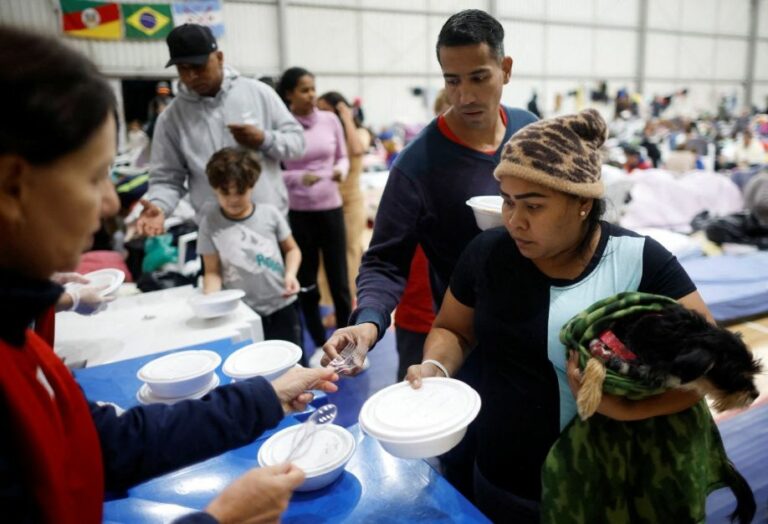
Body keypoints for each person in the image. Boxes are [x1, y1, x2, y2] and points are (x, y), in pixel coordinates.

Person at [0, 25, 339, 523]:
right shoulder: (174, 117)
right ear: (13, 186)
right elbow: (164, 180)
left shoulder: (22, 342)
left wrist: (266, 397)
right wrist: (218, 519)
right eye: (95, 178)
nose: (112, 203)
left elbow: (103, 443)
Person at [404, 109, 713, 522]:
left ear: (583, 202)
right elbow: (453, 329)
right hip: (499, 477)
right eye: (508, 202)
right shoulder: (487, 254)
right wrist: (435, 367)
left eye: (534, 205)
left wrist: (624, 409)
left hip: (598, 488)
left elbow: (713, 365)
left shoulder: (639, 261)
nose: (515, 220)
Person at [321, 8, 538, 496]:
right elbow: (384, 259)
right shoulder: (419, 163)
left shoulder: (529, 131)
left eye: (479, 78)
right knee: (462, 464)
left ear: (505, 70)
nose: (464, 96)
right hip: (464, 337)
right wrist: (369, 319)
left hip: (534, 328)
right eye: (452, 80)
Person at [136, 24, 304, 236]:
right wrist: (159, 206)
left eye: (199, 66)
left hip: (268, 227)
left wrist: (264, 139)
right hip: (215, 233)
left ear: (220, 58)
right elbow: (166, 178)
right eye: (182, 69)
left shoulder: (258, 94)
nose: (191, 77)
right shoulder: (171, 118)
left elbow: (298, 143)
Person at [276, 67, 352, 351]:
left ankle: (348, 343)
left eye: (313, 88)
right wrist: (297, 178)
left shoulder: (330, 120)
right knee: (308, 283)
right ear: (289, 94)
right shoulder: (283, 127)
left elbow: (343, 157)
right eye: (304, 90)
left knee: (340, 281)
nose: (311, 95)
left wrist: (340, 171)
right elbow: (273, 174)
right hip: (299, 213)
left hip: (331, 208)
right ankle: (321, 344)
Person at [199, 147, 303, 347]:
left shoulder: (269, 214)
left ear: (252, 185)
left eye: (240, 191)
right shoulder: (210, 223)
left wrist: (290, 274)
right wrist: (211, 302)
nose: (233, 199)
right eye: (225, 192)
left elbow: (292, 250)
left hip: (282, 304)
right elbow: (211, 271)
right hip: (242, 313)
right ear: (214, 188)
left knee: (293, 365)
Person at [317, 91, 371, 297]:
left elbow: (356, 150)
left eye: (324, 110)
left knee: (350, 250)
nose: (320, 114)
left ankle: (350, 298)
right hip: (327, 200)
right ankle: (328, 303)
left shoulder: (360, 133)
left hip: (351, 201)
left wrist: (347, 117)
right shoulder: (325, 134)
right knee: (325, 255)